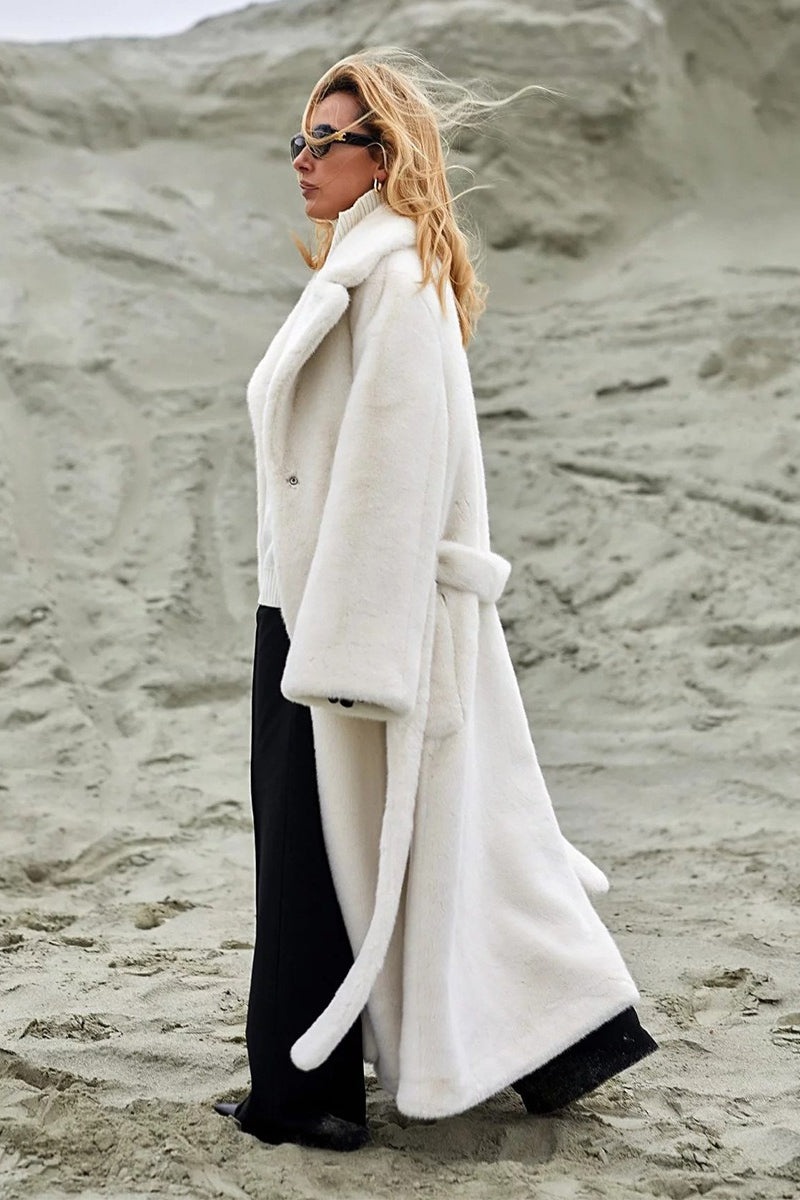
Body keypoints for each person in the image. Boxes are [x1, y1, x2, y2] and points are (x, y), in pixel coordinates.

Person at [213, 46, 658, 1154]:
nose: (303, 158)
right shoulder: (363, 269)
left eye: (327, 140)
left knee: (337, 854)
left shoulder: (397, 280)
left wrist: (344, 656)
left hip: (353, 622)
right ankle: (553, 1044)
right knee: (408, 843)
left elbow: (391, 477)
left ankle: (303, 1100)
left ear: (383, 155)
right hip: (316, 607)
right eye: (300, 138)